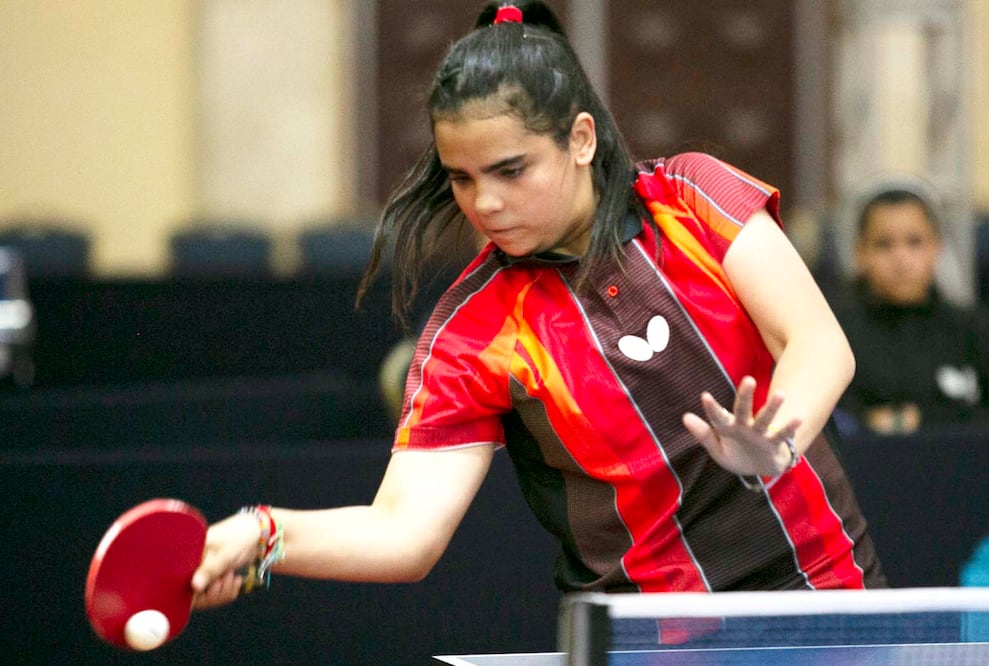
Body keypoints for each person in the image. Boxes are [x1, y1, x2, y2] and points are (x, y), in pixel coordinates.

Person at [192, 1, 885, 611]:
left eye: (511, 170)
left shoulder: (692, 199)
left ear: (580, 139)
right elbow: (404, 532)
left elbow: (819, 345)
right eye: (461, 177)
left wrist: (774, 439)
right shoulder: (471, 334)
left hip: (824, 590)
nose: (484, 202)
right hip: (651, 636)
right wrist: (263, 533)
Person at [828, 183, 989, 434]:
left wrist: (918, 421)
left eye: (914, 242)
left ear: (936, 247)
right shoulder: (834, 334)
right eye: (884, 244)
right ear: (860, 253)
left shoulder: (975, 326)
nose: (901, 259)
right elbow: (826, 420)